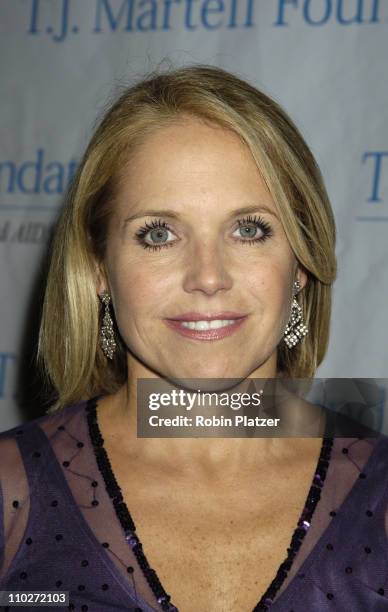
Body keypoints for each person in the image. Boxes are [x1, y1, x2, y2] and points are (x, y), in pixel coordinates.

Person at [0, 64, 387, 612]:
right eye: (159, 234)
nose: (208, 277)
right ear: (99, 269)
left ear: (300, 263)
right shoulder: (10, 495)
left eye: (249, 229)